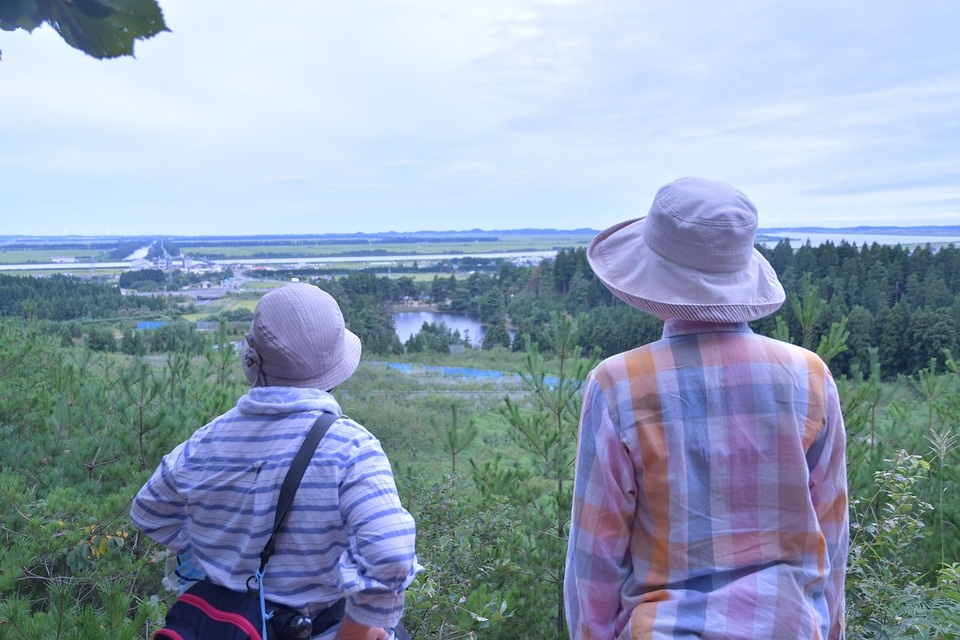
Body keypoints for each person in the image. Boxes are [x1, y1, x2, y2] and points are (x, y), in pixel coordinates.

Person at [564, 177, 848, 639]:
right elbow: (832, 536)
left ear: (651, 275)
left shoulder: (618, 385)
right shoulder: (810, 377)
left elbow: (595, 558)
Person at [131, 282, 419, 640]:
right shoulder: (351, 449)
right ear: (335, 367)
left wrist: (220, 559)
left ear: (252, 358)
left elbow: (147, 509)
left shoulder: (207, 440)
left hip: (221, 627)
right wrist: (355, 634)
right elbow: (390, 555)